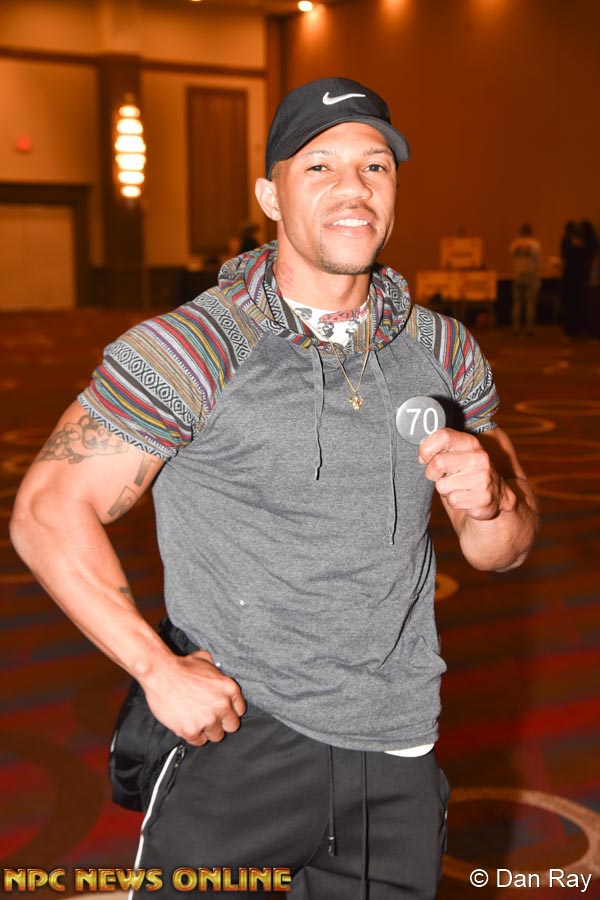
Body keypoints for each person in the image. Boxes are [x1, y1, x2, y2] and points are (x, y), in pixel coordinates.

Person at [10, 77, 539, 899]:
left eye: (374, 166)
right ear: (269, 195)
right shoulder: (196, 347)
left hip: (395, 750)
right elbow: (48, 511)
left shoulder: (444, 351)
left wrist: (494, 501)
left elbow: (502, 551)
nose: (353, 188)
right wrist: (156, 669)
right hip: (236, 742)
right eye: (319, 166)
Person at [508, 223, 542, 336]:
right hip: (531, 275)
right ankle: (529, 328)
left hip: (518, 275)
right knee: (530, 303)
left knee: (517, 303)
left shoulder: (515, 244)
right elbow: (538, 261)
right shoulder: (536, 244)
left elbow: (511, 256)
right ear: (531, 231)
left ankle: (516, 328)